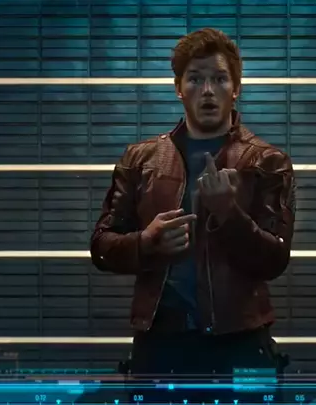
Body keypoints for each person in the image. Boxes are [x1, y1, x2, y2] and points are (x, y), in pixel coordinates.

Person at [89, 28, 296, 404]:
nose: (208, 90)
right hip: (160, 345)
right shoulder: (140, 159)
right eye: (196, 79)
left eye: (219, 79)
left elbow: (274, 259)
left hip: (240, 343)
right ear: (178, 88)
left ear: (236, 88)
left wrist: (228, 213)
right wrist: (145, 243)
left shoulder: (268, 161)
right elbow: (101, 245)